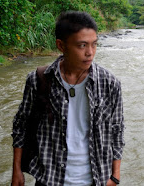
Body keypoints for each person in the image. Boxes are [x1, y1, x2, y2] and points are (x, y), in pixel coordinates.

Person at [11, 11, 125, 186]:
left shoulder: (109, 83)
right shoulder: (38, 80)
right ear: (61, 45)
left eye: (94, 44)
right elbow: (21, 125)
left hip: (96, 179)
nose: (90, 53)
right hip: (50, 179)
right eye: (82, 45)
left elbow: (117, 130)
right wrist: (17, 171)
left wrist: (115, 177)